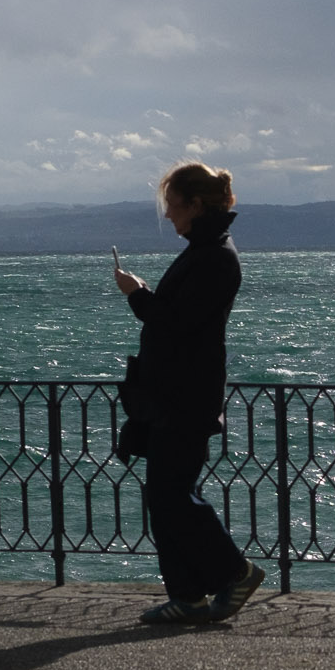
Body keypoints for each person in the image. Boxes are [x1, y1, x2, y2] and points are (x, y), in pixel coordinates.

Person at [114, 162, 266, 625]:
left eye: (174, 206)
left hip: (186, 397)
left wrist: (137, 294)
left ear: (196, 205)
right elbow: (179, 317)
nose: (169, 215)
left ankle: (235, 573)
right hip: (174, 396)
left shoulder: (215, 257)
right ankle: (188, 596)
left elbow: (178, 323)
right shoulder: (206, 251)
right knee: (166, 498)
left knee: (173, 495)